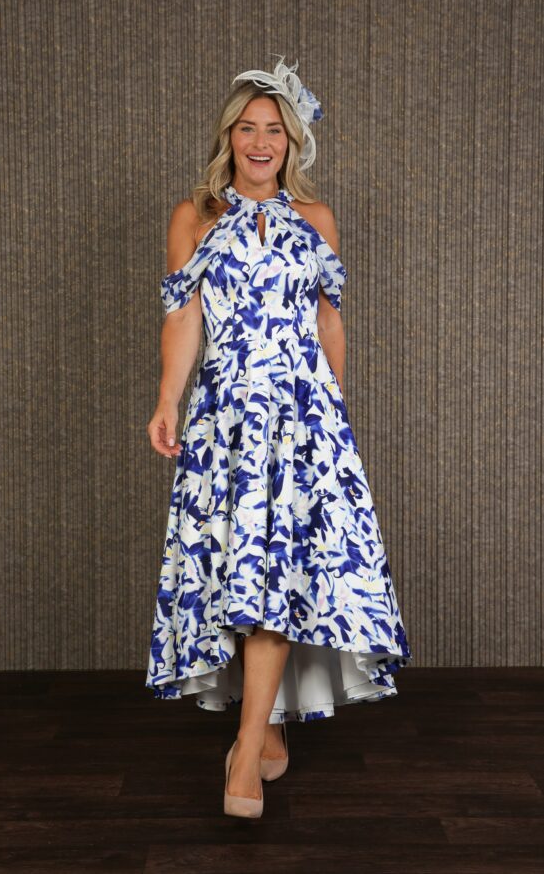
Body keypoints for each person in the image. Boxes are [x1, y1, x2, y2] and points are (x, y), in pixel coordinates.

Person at [145, 55, 413, 818]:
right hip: (226, 417)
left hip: (303, 419)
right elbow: (182, 317)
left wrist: (333, 415)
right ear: (227, 137)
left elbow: (329, 321)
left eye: (274, 130)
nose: (260, 142)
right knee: (236, 572)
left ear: (292, 142)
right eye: (247, 128)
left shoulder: (315, 219)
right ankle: (259, 728)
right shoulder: (193, 216)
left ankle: (245, 749)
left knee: (285, 573)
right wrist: (167, 401)